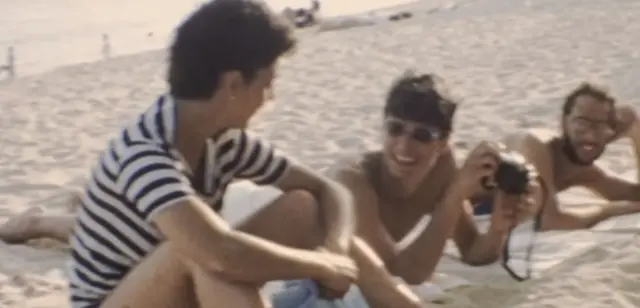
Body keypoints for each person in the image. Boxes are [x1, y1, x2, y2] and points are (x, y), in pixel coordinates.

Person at [62, 1, 364, 307]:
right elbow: (219, 254)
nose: (270, 98)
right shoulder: (144, 152)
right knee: (196, 251)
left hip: (179, 291)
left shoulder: (223, 140)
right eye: (266, 85)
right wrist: (319, 266)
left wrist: (335, 252)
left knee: (301, 206)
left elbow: (329, 190)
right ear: (234, 84)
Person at [500, 82, 640, 231]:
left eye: (600, 125)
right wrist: (606, 213)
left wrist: (635, 130)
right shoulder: (535, 145)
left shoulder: (584, 172)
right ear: (564, 122)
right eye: (582, 122)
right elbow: (549, 222)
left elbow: (636, 195)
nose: (591, 133)